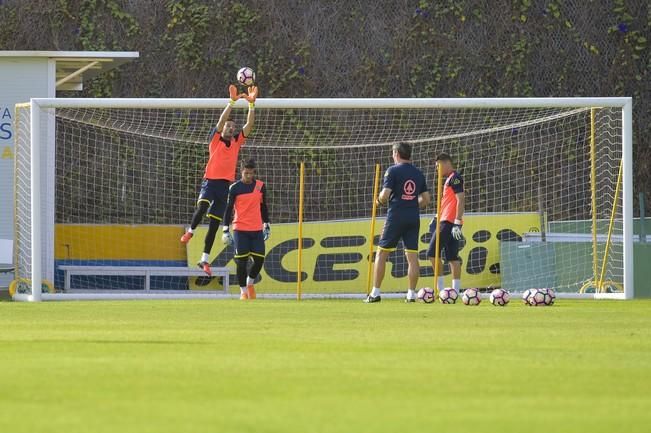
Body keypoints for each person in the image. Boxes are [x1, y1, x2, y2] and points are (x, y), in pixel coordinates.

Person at [180, 84, 258, 276]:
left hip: (225, 186)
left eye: (232, 126)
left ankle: (204, 260)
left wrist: (251, 104)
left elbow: (249, 126)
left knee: (214, 225)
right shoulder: (214, 139)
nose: (230, 128)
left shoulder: (237, 142)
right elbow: (222, 118)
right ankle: (190, 231)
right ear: (222, 128)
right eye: (228, 126)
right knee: (202, 206)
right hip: (210, 182)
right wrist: (231, 102)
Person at [365, 142, 430, 303]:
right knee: (412, 257)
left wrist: (378, 201)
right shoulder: (418, 173)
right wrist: (411, 205)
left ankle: (375, 293)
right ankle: (410, 295)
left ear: (396, 153)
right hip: (413, 217)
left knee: (381, 253)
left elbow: (385, 195)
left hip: (395, 216)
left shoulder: (392, 171)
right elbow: (426, 199)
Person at [222, 159, 271, 300]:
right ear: (241, 172)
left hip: (256, 229)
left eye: (251, 173)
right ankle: (243, 291)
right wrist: (225, 229)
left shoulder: (260, 186)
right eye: (246, 173)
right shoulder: (234, 188)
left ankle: (250, 283)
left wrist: (266, 223)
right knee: (241, 262)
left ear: (254, 172)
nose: (248, 176)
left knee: (259, 260)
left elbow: (263, 207)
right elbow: (228, 209)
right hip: (240, 229)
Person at [427, 153, 465, 294]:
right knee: (452, 257)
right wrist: (437, 216)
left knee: (432, 253)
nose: (437, 169)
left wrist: (456, 222)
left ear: (445, 163)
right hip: (446, 220)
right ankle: (454, 292)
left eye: (438, 166)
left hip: (449, 222)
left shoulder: (455, 178)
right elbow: (449, 202)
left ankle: (441, 290)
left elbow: (461, 199)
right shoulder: (449, 179)